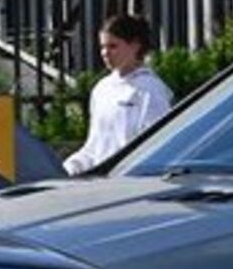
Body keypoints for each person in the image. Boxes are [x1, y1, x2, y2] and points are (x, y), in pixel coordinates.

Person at [64, 13, 174, 175]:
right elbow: (94, 147)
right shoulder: (101, 88)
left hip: (131, 182)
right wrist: (72, 166)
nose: (105, 53)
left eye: (113, 46)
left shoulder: (151, 90)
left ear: (135, 45)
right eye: (102, 47)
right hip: (100, 182)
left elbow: (156, 146)